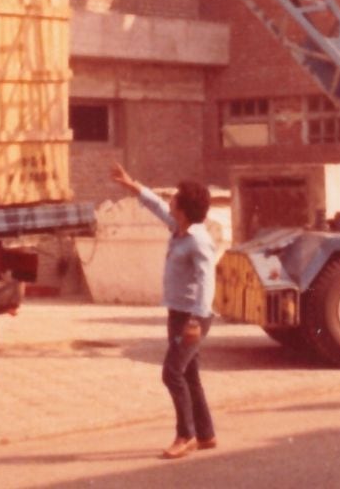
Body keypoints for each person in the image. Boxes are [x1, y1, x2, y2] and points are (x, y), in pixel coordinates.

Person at [112, 163, 218, 460]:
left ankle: (186, 435)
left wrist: (196, 320)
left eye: (175, 197)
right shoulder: (179, 227)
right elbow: (156, 205)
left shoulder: (197, 239)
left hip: (192, 317)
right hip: (179, 312)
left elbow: (207, 280)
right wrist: (131, 185)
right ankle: (206, 433)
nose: (170, 199)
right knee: (190, 373)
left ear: (184, 208)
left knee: (172, 373)